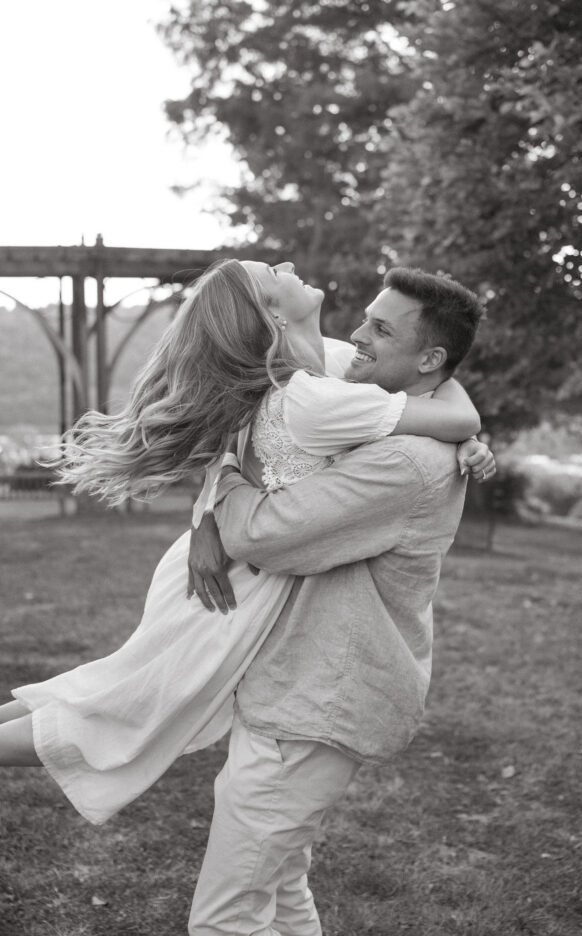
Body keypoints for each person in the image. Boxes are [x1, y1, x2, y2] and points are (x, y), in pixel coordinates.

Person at [0, 258, 494, 831]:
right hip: (233, 586)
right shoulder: (317, 397)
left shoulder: (320, 363)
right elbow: (454, 411)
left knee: (118, 688)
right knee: (131, 707)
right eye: (273, 274)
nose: (288, 265)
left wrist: (470, 441)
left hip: (220, 570)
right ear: (273, 314)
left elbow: (428, 381)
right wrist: (467, 436)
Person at [185, 265, 491, 936]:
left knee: (224, 919)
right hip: (295, 689)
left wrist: (226, 487)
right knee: (281, 889)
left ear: (428, 359)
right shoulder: (394, 421)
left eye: (380, 329)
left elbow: (263, 534)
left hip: (315, 704)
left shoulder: (406, 461)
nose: (357, 337)